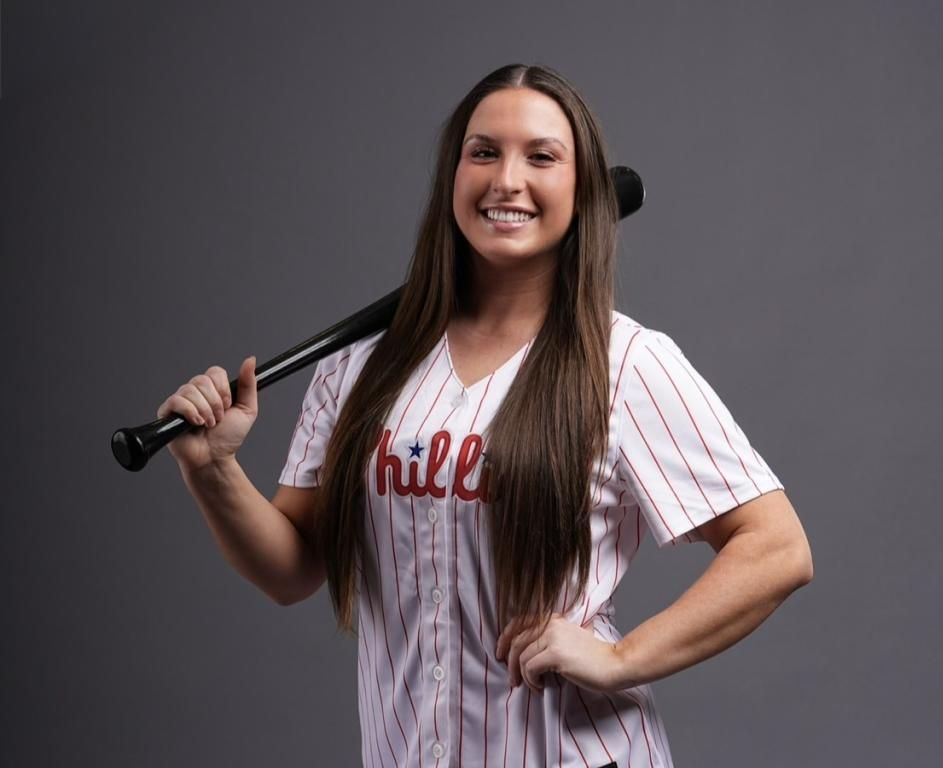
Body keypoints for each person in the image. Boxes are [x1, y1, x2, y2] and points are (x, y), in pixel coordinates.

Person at [158, 63, 813, 768]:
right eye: (483, 152)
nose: (507, 180)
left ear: (582, 188)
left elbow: (777, 548)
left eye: (541, 156)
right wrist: (213, 470)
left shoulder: (624, 364)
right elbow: (292, 571)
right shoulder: (359, 366)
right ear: (452, 179)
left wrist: (625, 658)